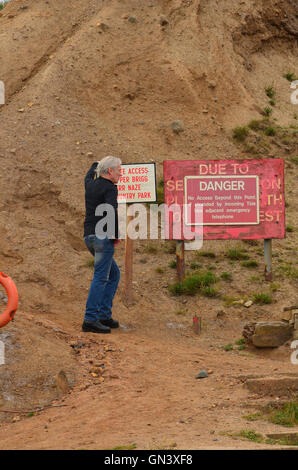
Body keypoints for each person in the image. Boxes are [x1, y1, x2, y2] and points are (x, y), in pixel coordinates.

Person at [82, 156, 122, 334]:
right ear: (110, 171)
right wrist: (115, 235)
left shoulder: (91, 184)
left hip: (89, 236)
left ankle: (104, 315)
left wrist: (95, 164)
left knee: (113, 274)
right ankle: (90, 319)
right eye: (119, 170)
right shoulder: (110, 189)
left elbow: (87, 177)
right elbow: (110, 211)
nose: (120, 174)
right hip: (102, 237)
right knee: (101, 277)